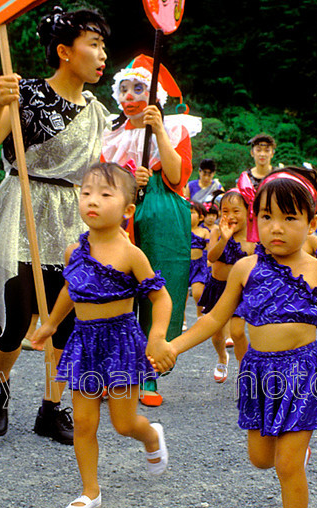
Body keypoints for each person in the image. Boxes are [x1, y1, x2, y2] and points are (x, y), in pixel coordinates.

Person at [151, 168, 317, 508]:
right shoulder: (246, 269)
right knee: (261, 459)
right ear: (255, 219)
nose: (276, 227)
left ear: (312, 223)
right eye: (266, 217)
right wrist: (174, 346)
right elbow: (212, 319)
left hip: (304, 374)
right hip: (259, 375)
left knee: (287, 465)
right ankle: (294, 453)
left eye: (289, 218)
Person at [0, 6, 110, 442]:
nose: (102, 53)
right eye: (94, 44)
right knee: (17, 318)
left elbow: (94, 172)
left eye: (103, 45)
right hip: (23, 206)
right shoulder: (25, 91)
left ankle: (51, 409)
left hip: (70, 217)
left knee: (66, 321)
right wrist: (0, 100)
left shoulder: (97, 110)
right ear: (65, 51)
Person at [30, 163, 174, 508]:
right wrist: (49, 324)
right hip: (84, 342)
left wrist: (156, 337)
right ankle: (89, 491)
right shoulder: (73, 252)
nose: (93, 201)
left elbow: (161, 298)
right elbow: (69, 289)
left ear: (127, 209)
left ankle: (151, 435)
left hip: (121, 341)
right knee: (82, 421)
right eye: (87, 193)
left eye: (105, 194)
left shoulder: (131, 254)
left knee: (123, 424)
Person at [101, 55, 200, 406]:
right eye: (124, 88)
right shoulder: (110, 136)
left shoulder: (175, 130)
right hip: (120, 212)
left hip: (162, 210)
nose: (130, 95)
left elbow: (176, 176)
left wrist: (157, 129)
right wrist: (128, 182)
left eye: (139, 88)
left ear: (154, 94)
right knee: (114, 288)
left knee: (158, 284)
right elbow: (101, 183)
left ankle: (149, 370)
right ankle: (113, 368)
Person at [198, 190, 256, 382]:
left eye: (236, 211)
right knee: (216, 335)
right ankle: (222, 357)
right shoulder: (216, 231)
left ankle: (244, 368)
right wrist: (224, 238)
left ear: (248, 211)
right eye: (225, 211)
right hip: (218, 288)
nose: (230, 216)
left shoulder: (253, 238)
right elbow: (211, 257)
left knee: (238, 332)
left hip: (240, 291)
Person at [189, 200, 211, 318]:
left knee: (198, 292)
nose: (188, 215)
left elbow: (208, 247)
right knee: (181, 295)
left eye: (192, 212)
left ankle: (199, 313)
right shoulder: (182, 231)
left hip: (199, 265)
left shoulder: (204, 231)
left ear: (201, 217)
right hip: (184, 264)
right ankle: (183, 320)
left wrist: (209, 260)